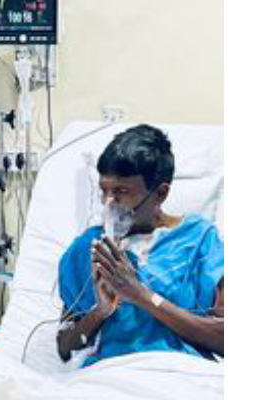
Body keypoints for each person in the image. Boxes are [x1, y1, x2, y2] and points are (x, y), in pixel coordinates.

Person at [56, 124, 224, 367]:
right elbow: (64, 348)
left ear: (160, 194)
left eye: (121, 191)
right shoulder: (89, 248)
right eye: (104, 191)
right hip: (108, 376)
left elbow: (223, 340)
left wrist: (141, 295)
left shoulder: (200, 240)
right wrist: (100, 311)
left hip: (180, 374)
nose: (109, 203)